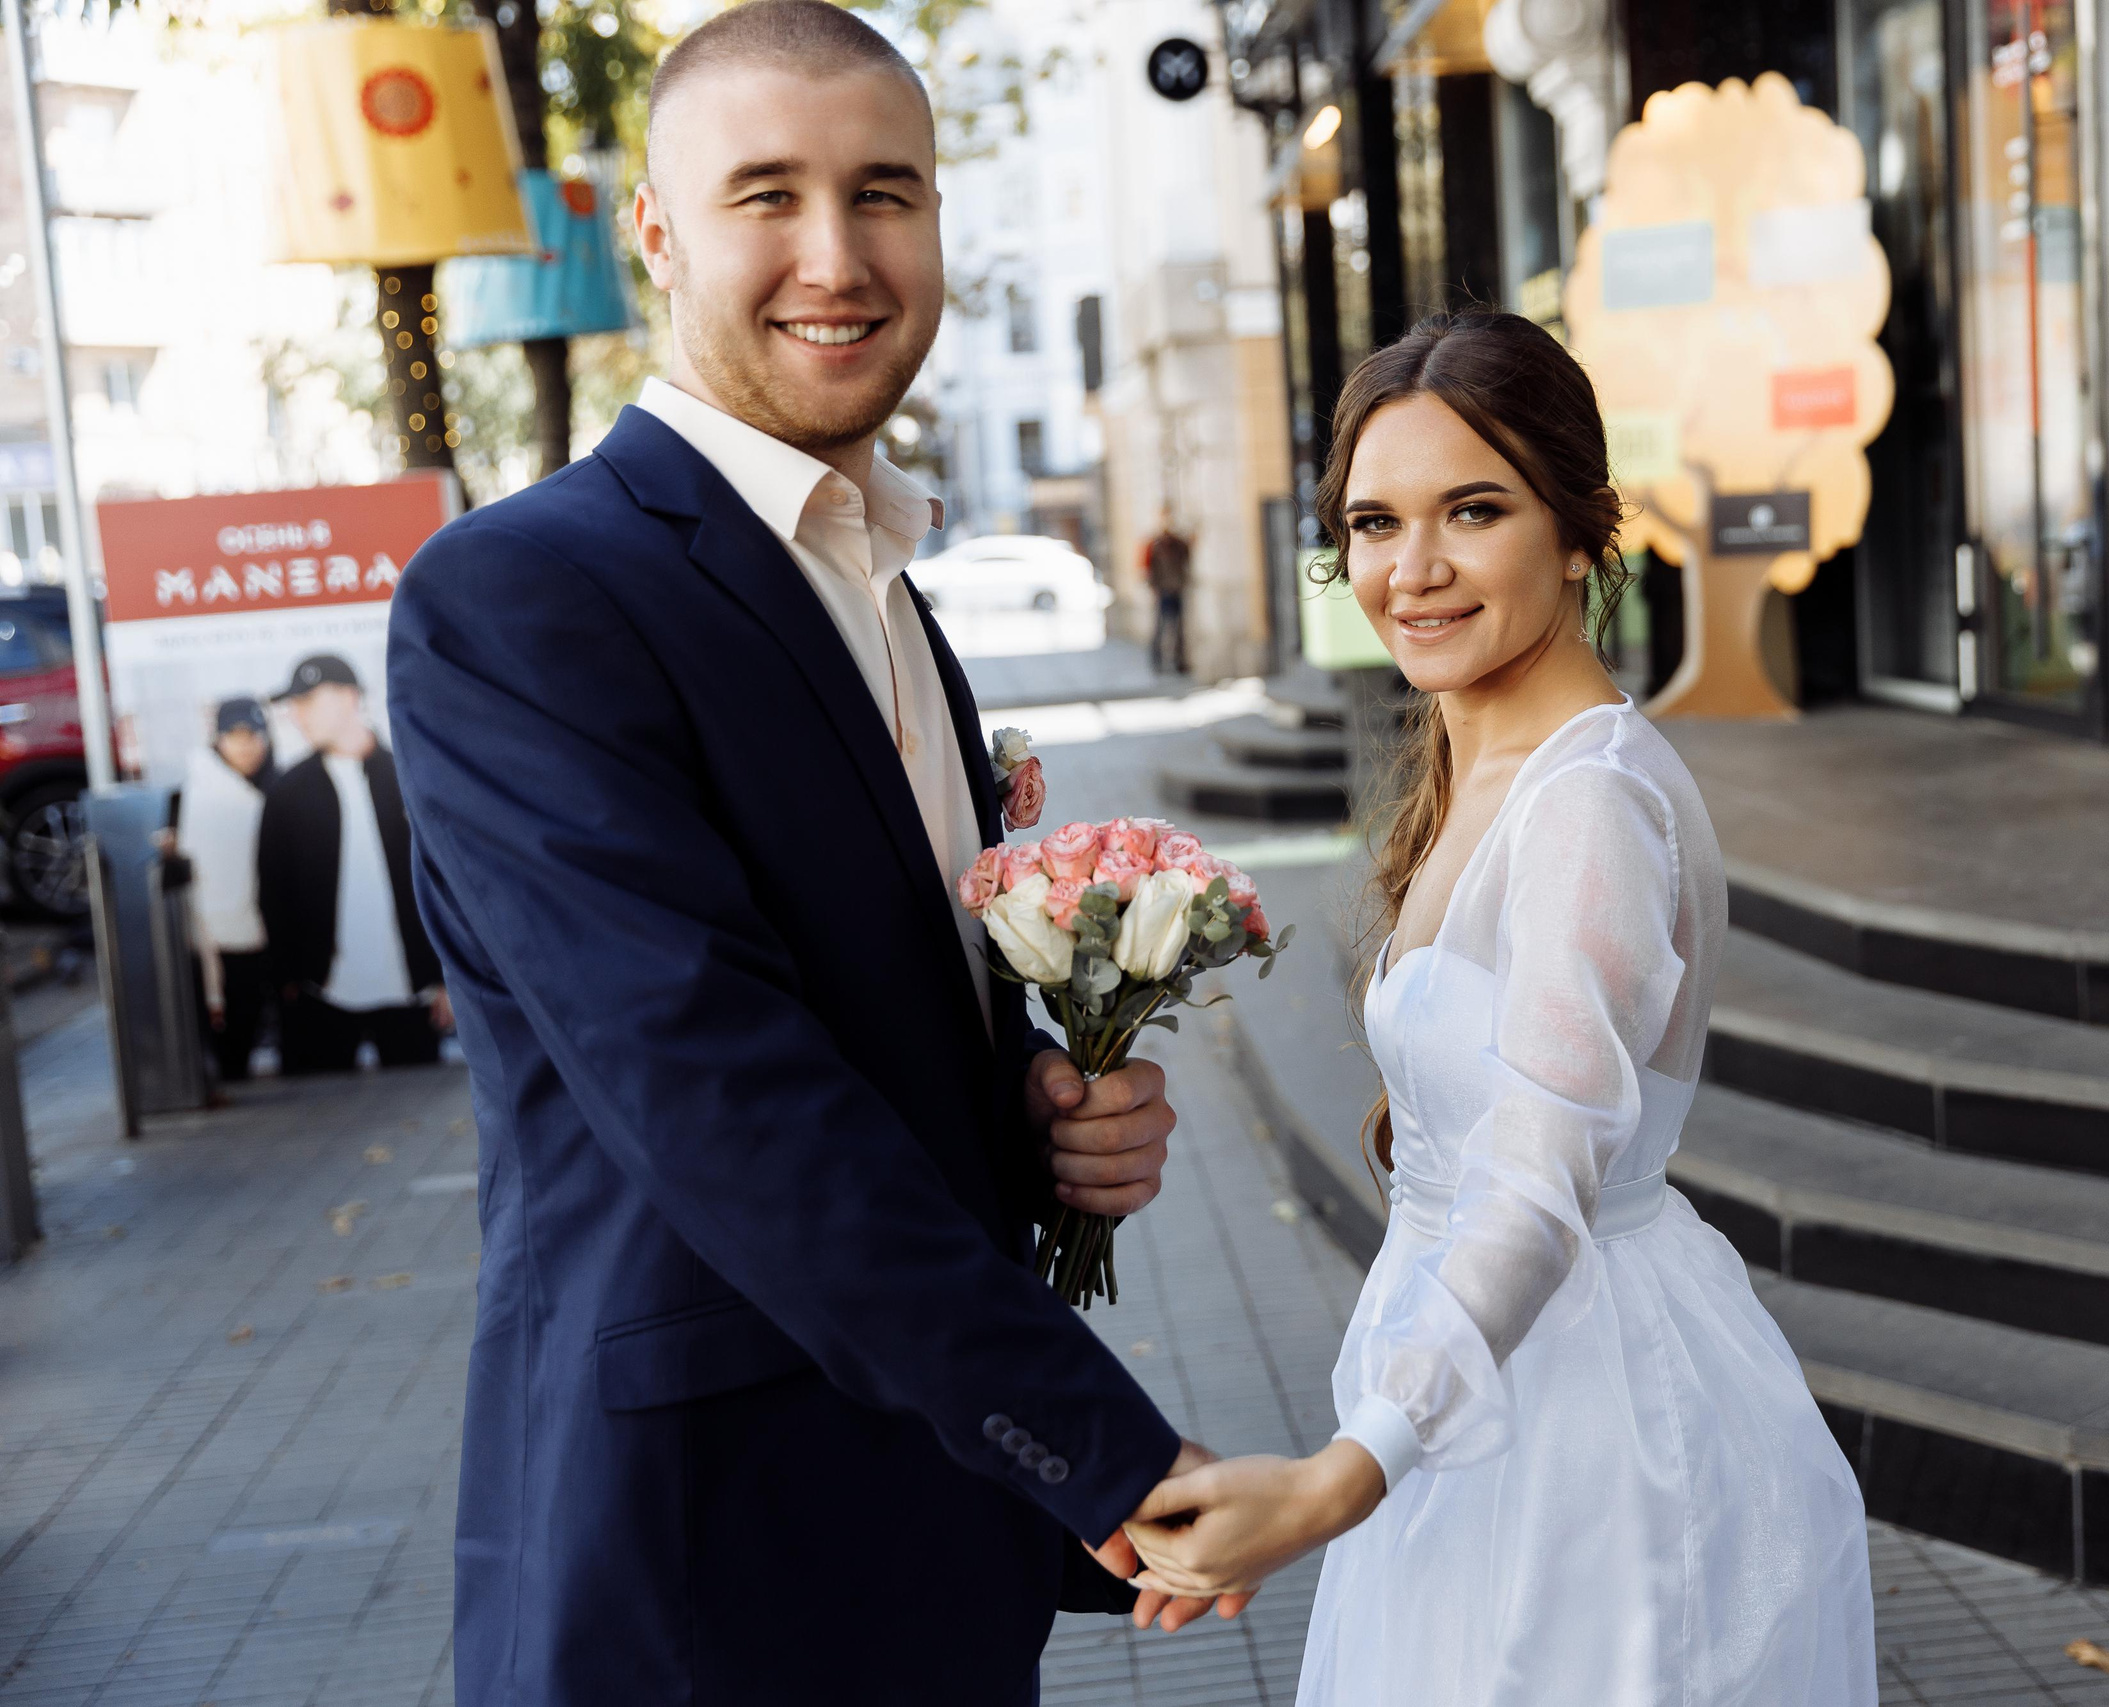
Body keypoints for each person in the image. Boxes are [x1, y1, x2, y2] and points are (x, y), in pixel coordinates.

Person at [383, 9, 1229, 1703]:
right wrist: (1106, 1453)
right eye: (766, 194)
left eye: (886, 194)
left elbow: (869, 1012)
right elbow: (717, 1088)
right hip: (704, 1566)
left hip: (929, 1540)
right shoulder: (521, 599)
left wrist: (1041, 1107)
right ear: (658, 234)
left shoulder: (889, 591)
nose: (836, 256)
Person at [1107, 313, 1880, 1703]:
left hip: (1578, 1418)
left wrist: (1345, 1475)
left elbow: (1538, 1185)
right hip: (1473, 1381)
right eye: (1374, 521)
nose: (1411, 570)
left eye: (1474, 510)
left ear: (1579, 530)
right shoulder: (1486, 757)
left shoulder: (1584, 800)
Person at [258, 655, 447, 1074]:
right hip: (321, 995)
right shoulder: (288, 793)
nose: (296, 714)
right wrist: (288, 982)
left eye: (307, 700)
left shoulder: (408, 775)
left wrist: (446, 979)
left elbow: (443, 883)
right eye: (293, 704)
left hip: (411, 993)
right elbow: (274, 894)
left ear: (349, 698)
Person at [178, 696, 275, 1082]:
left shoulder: (257, 790)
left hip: (251, 936)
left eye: (255, 735)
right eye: (235, 736)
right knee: (231, 1047)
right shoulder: (208, 796)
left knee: (242, 1044)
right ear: (218, 739)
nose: (247, 745)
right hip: (219, 945)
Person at [1142, 505, 1190, 675]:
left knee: (1179, 629)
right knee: (1160, 628)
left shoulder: (1178, 543)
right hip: (1162, 591)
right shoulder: (1153, 544)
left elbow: (1186, 557)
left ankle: (1179, 661)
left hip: (1177, 589)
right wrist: (1154, 588)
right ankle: (1157, 662)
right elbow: (1146, 568)